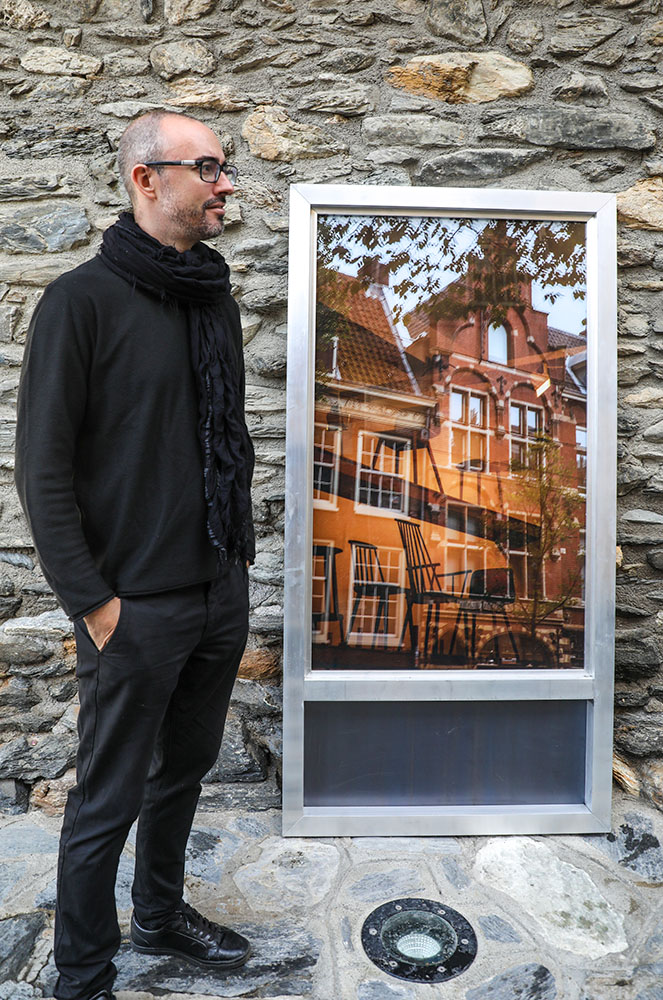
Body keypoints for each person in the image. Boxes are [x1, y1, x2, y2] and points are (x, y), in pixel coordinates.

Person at [14, 110, 255, 1000]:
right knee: (106, 798)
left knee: (183, 772)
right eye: (208, 168)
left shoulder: (213, 296)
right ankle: (81, 973)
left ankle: (158, 913)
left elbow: (221, 438)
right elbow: (42, 469)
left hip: (215, 587)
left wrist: (233, 572)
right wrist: (94, 601)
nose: (225, 183)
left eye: (225, 167)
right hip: (133, 606)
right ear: (146, 179)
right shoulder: (81, 300)